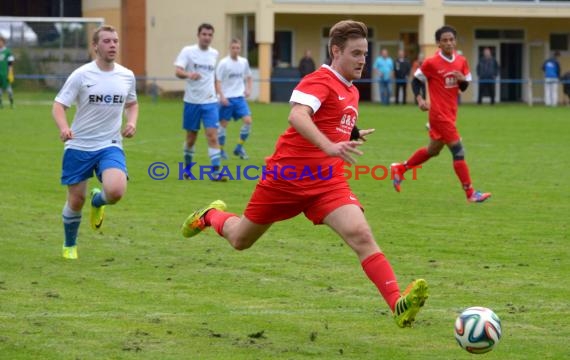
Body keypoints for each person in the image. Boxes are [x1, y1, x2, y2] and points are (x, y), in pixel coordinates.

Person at [181, 20, 429, 328]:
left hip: (327, 182)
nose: (363, 60)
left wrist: (349, 135)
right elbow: (298, 115)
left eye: (365, 53)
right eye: (356, 53)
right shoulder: (319, 79)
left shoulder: (350, 89)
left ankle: (397, 304)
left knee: (361, 235)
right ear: (335, 51)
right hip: (285, 179)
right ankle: (209, 216)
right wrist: (329, 145)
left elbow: (330, 119)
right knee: (240, 239)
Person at [52, 25, 138, 260]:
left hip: (109, 144)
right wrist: (64, 128)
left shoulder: (126, 75)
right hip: (79, 145)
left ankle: (98, 200)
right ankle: (70, 244)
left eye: (115, 41)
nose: (113, 45)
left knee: (116, 191)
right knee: (76, 200)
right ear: (95, 46)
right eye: (107, 41)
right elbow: (59, 105)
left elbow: (132, 104)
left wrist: (132, 122)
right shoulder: (81, 75)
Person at [391, 25, 491, 203]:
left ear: (455, 41)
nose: (448, 43)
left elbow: (464, 86)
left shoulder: (461, 61)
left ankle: (400, 168)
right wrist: (420, 99)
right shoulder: (431, 63)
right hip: (438, 115)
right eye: (444, 40)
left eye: (451, 39)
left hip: (451, 113)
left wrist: (462, 80)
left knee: (432, 151)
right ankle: (470, 193)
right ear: (438, 43)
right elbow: (416, 81)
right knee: (458, 150)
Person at [174, 23, 225, 180]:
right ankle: (187, 170)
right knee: (191, 138)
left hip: (210, 101)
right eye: (204, 34)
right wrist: (189, 75)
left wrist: (219, 94)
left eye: (210, 35)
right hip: (192, 101)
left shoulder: (214, 54)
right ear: (198, 35)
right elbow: (178, 71)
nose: (207, 37)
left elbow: (215, 76)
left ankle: (215, 172)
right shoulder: (188, 51)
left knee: (212, 135)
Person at [216, 38, 253, 160]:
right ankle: (221, 150)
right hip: (226, 98)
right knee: (223, 125)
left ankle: (239, 148)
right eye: (233, 48)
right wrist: (221, 96)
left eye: (238, 48)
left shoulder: (243, 62)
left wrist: (248, 89)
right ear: (229, 48)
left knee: (248, 121)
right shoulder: (223, 63)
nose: (236, 50)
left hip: (239, 98)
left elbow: (249, 77)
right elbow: (218, 81)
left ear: (240, 49)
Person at [0, 35, 15, 109]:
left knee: (9, 90)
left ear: (3, 42)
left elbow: (10, 63)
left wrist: (10, 73)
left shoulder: (7, 52)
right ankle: (1, 105)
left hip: (5, 74)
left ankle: (12, 103)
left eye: (0, 41)